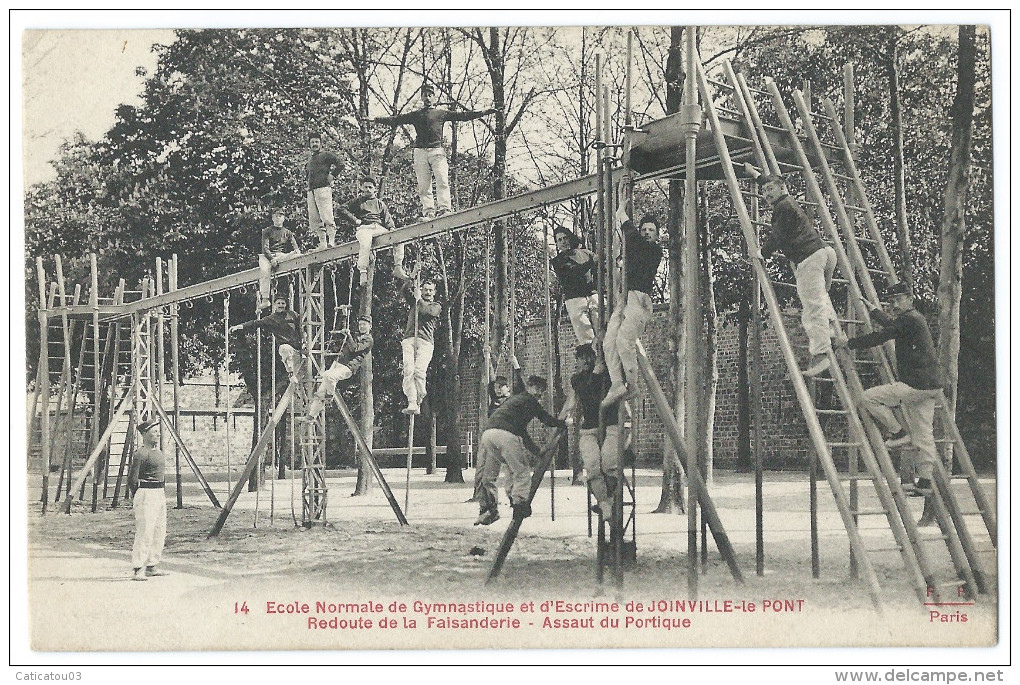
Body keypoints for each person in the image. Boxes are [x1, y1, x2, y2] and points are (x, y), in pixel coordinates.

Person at [834, 282, 945, 520]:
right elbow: (892, 327)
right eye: (891, 301)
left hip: (914, 384)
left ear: (910, 298)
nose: (894, 305)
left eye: (898, 300)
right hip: (931, 386)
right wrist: (874, 311)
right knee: (924, 434)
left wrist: (849, 344)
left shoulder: (909, 319)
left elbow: (883, 335)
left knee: (868, 398)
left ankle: (896, 432)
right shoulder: (914, 319)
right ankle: (925, 480)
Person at [745, 163, 838, 377]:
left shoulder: (783, 207)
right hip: (824, 253)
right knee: (820, 298)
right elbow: (769, 181)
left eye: (770, 190)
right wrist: (756, 175)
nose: (766, 194)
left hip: (809, 259)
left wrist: (763, 253)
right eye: (764, 191)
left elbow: (777, 235)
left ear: (782, 188)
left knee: (811, 307)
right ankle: (832, 330)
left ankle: (821, 354)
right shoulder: (787, 202)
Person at [370, 83, 496, 218]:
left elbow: (463, 116)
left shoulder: (440, 113)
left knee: (442, 180)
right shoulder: (416, 115)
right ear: (421, 98)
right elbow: (396, 120)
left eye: (430, 95)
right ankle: (429, 211)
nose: (427, 98)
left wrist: (483, 112)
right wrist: (375, 119)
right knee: (424, 185)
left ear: (434, 97)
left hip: (437, 151)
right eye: (425, 95)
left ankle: (444, 208)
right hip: (420, 152)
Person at [474, 375, 566, 525]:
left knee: (511, 467)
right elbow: (546, 419)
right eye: (537, 389)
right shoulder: (529, 400)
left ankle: (512, 496)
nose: (539, 394)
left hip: (488, 435)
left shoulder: (514, 402)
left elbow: (522, 432)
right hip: (504, 435)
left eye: (541, 392)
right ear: (529, 386)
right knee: (522, 470)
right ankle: (519, 504)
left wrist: (536, 451)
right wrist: (563, 423)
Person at [601, 201, 663, 409]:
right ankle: (618, 383)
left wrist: (621, 213)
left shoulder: (654, 251)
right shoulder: (635, 248)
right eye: (644, 229)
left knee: (623, 340)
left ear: (657, 236)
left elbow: (633, 237)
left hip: (640, 298)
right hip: (625, 297)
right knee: (609, 342)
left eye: (651, 230)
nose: (646, 233)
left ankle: (633, 384)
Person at [564, 344, 620, 524]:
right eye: (581, 358)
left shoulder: (609, 375)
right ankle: (604, 503)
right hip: (589, 427)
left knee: (610, 464)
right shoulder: (577, 379)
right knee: (593, 466)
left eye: (588, 357)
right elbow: (587, 394)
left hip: (611, 424)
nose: (584, 362)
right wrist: (596, 374)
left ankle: (610, 499)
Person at [338, 175, 405, 284]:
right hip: (365, 228)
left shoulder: (379, 203)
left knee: (399, 237)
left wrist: (392, 228)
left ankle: (398, 266)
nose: (368, 190)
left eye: (370, 187)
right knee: (365, 243)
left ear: (374, 189)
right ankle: (363, 271)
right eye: (365, 187)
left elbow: (387, 219)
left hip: (378, 228)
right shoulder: (358, 201)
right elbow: (341, 209)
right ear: (362, 188)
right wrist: (355, 220)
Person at [306, 314, 373, 419]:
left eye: (364, 324)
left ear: (370, 326)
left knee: (328, 376)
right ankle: (311, 415)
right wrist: (344, 316)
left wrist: (349, 335)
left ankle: (330, 396)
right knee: (321, 390)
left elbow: (354, 349)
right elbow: (342, 332)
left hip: (348, 367)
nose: (362, 327)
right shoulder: (355, 335)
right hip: (339, 362)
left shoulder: (368, 340)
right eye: (360, 324)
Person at [128, 417, 169, 581]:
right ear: (145, 434)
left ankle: (152, 565)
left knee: (159, 530)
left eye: (158, 432)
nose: (157, 435)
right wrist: (139, 497)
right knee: (145, 531)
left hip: (159, 493)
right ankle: (138, 567)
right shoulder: (141, 453)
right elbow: (132, 480)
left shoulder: (158, 453)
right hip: (146, 493)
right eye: (154, 432)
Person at [397, 271, 442, 415]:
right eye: (425, 289)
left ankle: (420, 395)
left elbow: (426, 312)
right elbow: (405, 290)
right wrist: (412, 278)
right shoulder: (415, 301)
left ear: (434, 292)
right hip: (410, 338)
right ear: (421, 290)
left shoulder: (435, 306)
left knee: (419, 371)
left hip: (425, 342)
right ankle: (412, 401)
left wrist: (418, 299)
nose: (428, 292)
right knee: (409, 371)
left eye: (430, 290)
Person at [229, 293, 303, 379]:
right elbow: (255, 323)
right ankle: (290, 372)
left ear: (286, 305)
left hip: (297, 348)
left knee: (298, 376)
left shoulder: (292, 314)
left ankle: (297, 387)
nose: (281, 305)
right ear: (275, 305)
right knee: (285, 349)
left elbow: (301, 325)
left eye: (283, 303)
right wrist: (240, 326)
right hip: (285, 346)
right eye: (278, 303)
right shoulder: (271, 319)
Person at [551, 226, 598, 351]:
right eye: (560, 240)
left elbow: (599, 267)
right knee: (586, 337)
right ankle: (592, 363)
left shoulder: (585, 253)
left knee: (604, 330)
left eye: (565, 238)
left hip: (592, 295)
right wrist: (592, 262)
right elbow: (573, 272)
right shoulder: (558, 261)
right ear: (557, 244)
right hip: (575, 300)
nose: (564, 242)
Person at [258, 208, 301, 310]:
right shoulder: (267, 231)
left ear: (283, 218)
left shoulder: (288, 232)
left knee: (297, 256)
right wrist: (271, 259)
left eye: (280, 216)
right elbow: (265, 248)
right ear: (272, 218)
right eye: (276, 216)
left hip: (281, 256)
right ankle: (265, 299)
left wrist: (296, 252)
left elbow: (295, 246)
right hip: (268, 256)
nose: (278, 218)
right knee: (264, 271)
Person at [307, 132, 342, 249]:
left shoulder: (326, 155)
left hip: (323, 188)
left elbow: (340, 164)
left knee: (327, 216)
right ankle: (322, 242)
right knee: (315, 218)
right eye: (312, 142)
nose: (314, 144)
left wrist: (332, 175)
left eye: (316, 142)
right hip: (311, 191)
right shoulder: (310, 160)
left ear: (321, 143)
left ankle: (331, 240)